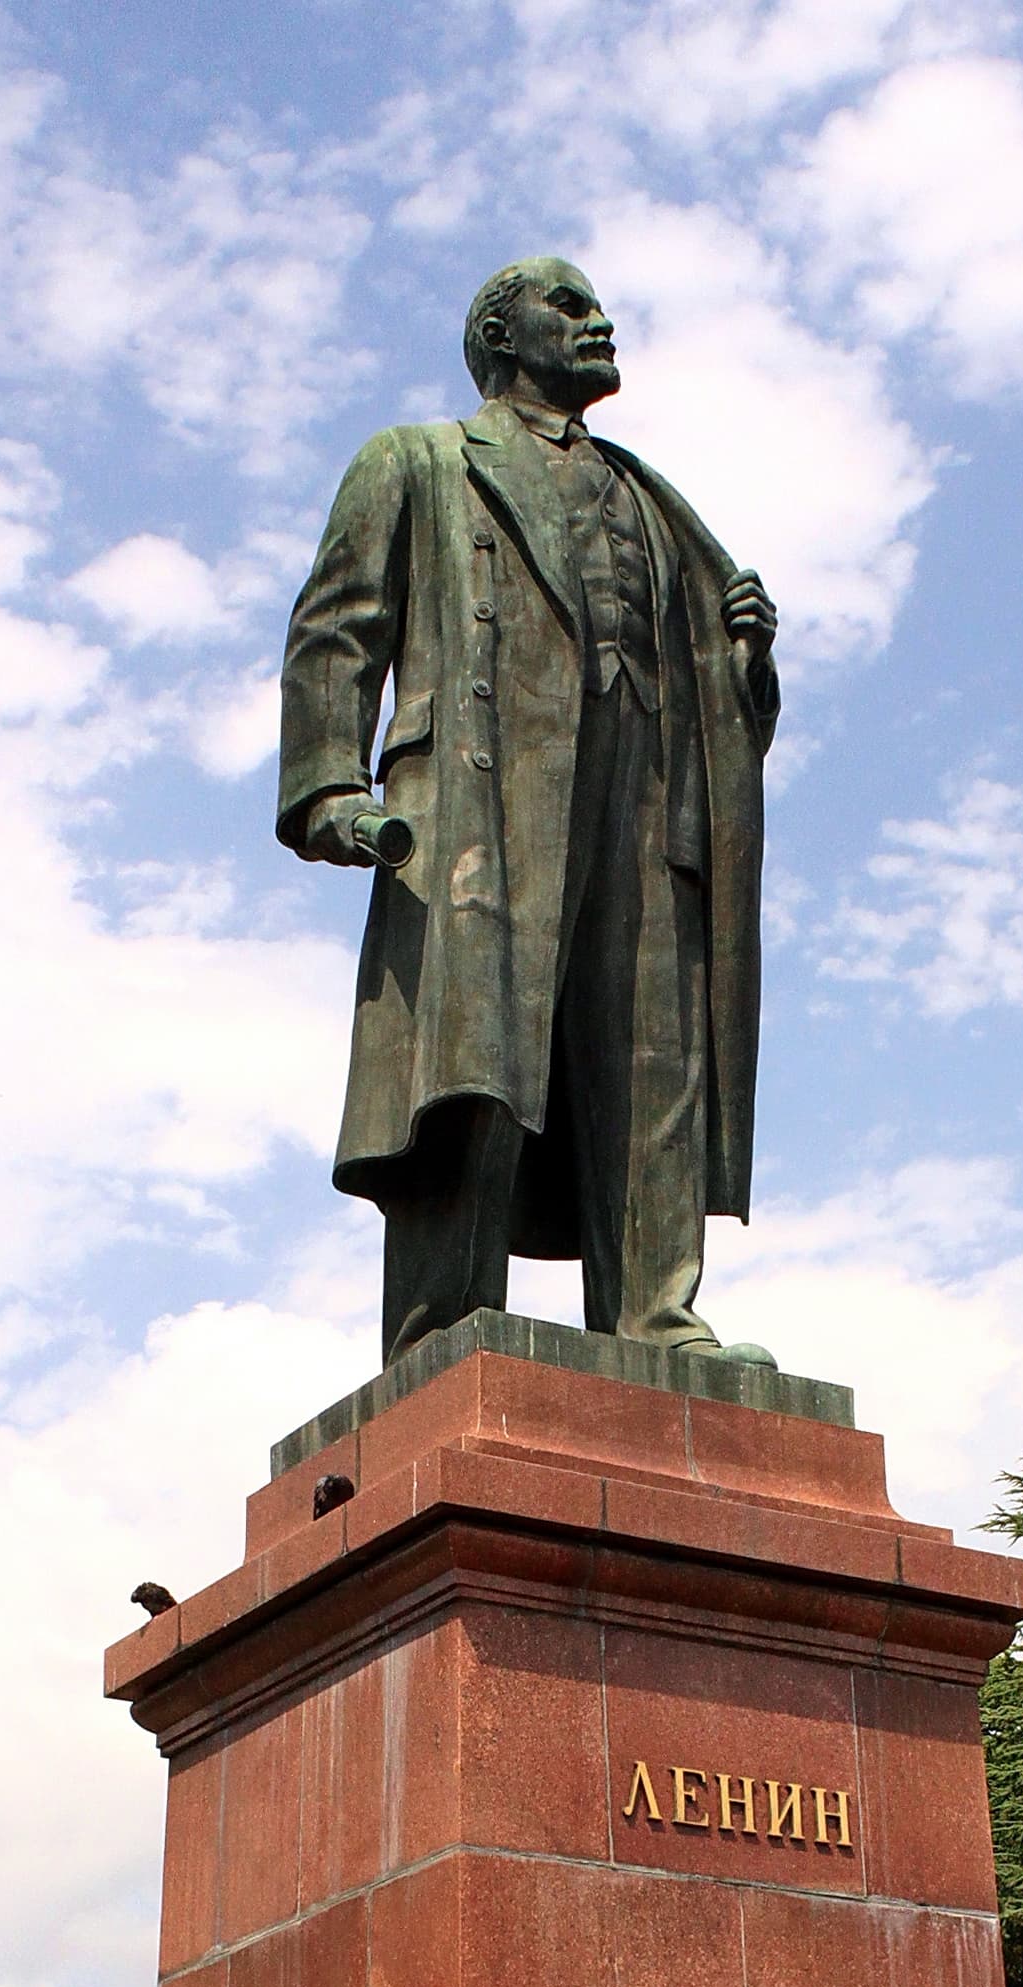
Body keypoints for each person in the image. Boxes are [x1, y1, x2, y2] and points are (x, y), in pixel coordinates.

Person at [278, 257, 781, 1368]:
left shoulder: (651, 501)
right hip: (478, 801)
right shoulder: (417, 461)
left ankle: (654, 1313)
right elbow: (337, 629)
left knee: (653, 1051)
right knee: (475, 1065)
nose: (599, 320)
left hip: (646, 799)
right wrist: (328, 786)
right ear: (501, 340)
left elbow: (718, 695)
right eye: (567, 305)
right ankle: (441, 1324)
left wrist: (741, 655)